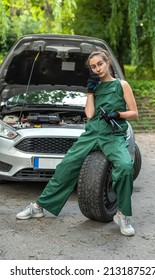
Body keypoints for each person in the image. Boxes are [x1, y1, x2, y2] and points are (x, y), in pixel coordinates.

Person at [16, 50, 138, 236]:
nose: (97, 69)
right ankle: (39, 206)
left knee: (125, 166)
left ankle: (122, 214)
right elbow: (89, 114)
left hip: (112, 134)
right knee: (66, 166)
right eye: (93, 66)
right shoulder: (94, 87)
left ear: (108, 63)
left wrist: (118, 114)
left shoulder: (122, 85)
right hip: (92, 133)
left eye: (100, 64)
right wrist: (90, 91)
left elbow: (134, 113)